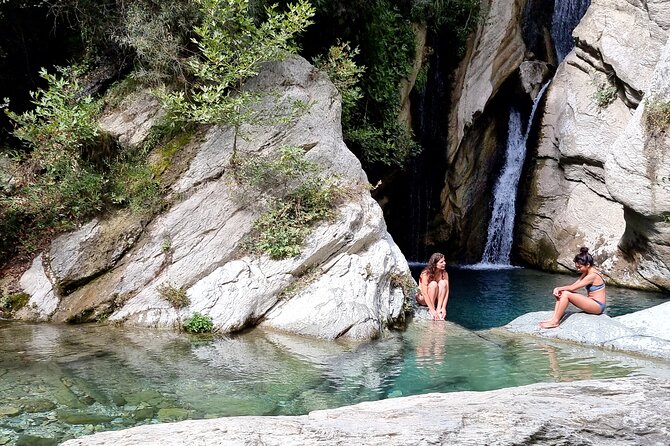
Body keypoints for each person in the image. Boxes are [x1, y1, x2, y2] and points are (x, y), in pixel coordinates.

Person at [539, 247, 607, 329]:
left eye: (579, 267)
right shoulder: (587, 272)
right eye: (577, 267)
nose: (578, 269)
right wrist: (560, 290)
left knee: (566, 294)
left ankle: (555, 322)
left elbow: (572, 288)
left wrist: (558, 288)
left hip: (598, 306)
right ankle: (553, 318)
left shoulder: (592, 275)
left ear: (588, 265)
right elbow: (574, 284)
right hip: (591, 302)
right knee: (562, 293)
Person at [416, 252, 449, 320]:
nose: (444, 263)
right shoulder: (426, 273)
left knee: (443, 283)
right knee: (433, 284)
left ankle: (438, 309)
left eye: (444, 261)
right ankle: (432, 309)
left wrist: (443, 307)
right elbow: (424, 293)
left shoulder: (444, 273)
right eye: (441, 262)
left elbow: (447, 291)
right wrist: (432, 309)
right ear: (435, 264)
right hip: (423, 298)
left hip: (435, 298)